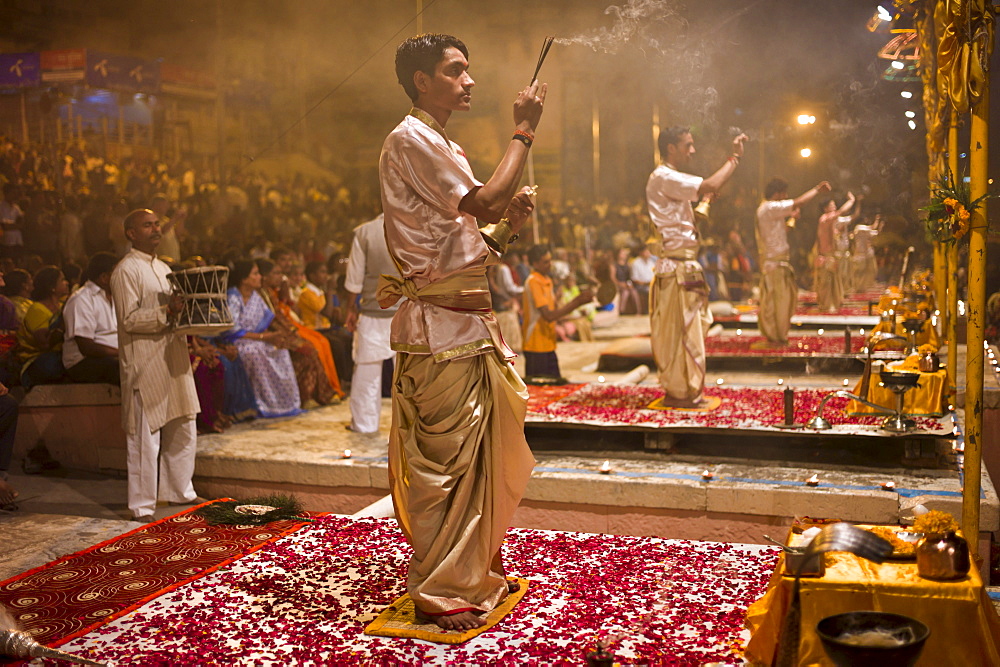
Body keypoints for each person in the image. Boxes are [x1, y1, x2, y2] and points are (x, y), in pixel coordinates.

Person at [378, 33, 542, 631]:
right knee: (445, 467)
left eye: (468, 70)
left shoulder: (440, 141)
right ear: (422, 81)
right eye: (456, 70)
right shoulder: (411, 138)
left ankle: (468, 573)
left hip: (464, 324)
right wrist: (523, 130)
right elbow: (488, 198)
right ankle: (444, 588)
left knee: (475, 462)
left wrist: (507, 229)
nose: (469, 81)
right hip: (439, 333)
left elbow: (471, 238)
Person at [111, 208, 201, 522]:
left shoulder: (164, 268)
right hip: (144, 360)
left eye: (157, 224)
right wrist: (167, 312)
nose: (155, 229)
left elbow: (175, 312)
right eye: (147, 225)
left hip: (172, 356)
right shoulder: (125, 270)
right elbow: (128, 320)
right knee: (144, 436)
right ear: (131, 233)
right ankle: (142, 504)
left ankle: (179, 491)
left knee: (184, 424)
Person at [645, 126, 746, 406]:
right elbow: (711, 184)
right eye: (688, 145)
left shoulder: (671, 179)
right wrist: (734, 158)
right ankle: (680, 391)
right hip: (675, 271)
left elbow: (680, 225)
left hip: (684, 267)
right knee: (679, 335)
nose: (693, 150)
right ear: (671, 149)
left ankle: (688, 390)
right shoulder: (664, 176)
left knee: (691, 333)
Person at [755, 178, 831, 344]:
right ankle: (776, 337)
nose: (786, 197)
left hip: (778, 263)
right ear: (777, 194)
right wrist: (817, 189)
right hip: (775, 265)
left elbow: (783, 232)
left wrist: (793, 218)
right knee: (779, 303)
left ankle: (777, 335)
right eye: (784, 194)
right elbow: (798, 202)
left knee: (783, 302)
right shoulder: (769, 207)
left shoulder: (770, 211)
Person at [343, 214, 400, 434]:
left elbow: (354, 279)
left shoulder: (365, 232)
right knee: (409, 375)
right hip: (408, 311)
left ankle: (364, 424)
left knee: (367, 371)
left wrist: (350, 308)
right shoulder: (418, 226)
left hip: (372, 311)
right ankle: (410, 427)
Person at [226, 259, 303, 418]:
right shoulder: (233, 296)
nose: (260, 276)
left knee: (280, 350)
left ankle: (283, 403)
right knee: (254, 352)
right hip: (237, 340)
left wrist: (273, 338)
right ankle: (260, 403)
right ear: (244, 279)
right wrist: (265, 337)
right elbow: (233, 330)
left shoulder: (256, 296)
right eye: (255, 273)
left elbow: (264, 322)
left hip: (257, 339)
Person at [522, 244, 594, 378]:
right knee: (541, 391)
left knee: (554, 385)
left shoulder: (546, 280)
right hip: (536, 343)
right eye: (545, 262)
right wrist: (577, 302)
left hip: (548, 342)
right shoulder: (534, 282)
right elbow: (548, 316)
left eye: (550, 261)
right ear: (535, 263)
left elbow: (554, 311)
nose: (549, 265)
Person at [62, 251, 120, 384]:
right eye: (118, 274)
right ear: (104, 277)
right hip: (82, 362)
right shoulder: (81, 299)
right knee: (124, 368)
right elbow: (87, 347)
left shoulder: (116, 297)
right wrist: (121, 353)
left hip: (113, 356)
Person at [17, 266, 69, 389]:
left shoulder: (62, 305)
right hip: (39, 361)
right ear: (52, 287)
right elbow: (44, 344)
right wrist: (62, 325)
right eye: (62, 280)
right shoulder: (37, 309)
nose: (66, 283)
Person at [814, 192, 856, 313]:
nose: (834, 207)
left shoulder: (828, 221)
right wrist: (851, 201)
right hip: (827, 256)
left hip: (830, 255)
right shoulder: (825, 219)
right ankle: (826, 306)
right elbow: (841, 211)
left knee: (833, 283)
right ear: (825, 208)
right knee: (826, 284)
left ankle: (831, 305)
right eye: (831, 205)